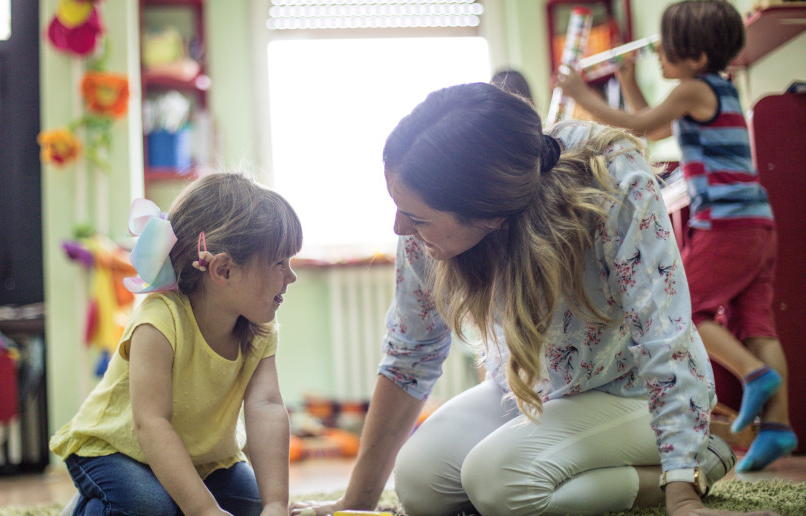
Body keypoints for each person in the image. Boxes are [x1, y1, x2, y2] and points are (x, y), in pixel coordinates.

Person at [288, 82, 783, 516]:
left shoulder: (613, 178)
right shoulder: (425, 217)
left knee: (497, 484)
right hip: (539, 391)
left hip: (631, 395)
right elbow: (408, 357)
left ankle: (700, 456)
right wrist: (354, 504)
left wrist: (682, 496)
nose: (401, 229)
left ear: (491, 217)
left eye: (415, 218)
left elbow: (666, 339)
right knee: (420, 485)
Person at [556, 0, 797, 472]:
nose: (659, 52)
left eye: (669, 46)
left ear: (696, 57)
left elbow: (637, 127)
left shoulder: (692, 89)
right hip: (757, 225)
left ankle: (755, 375)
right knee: (757, 324)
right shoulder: (714, 89)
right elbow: (657, 125)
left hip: (726, 226)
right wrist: (626, 82)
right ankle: (778, 426)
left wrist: (580, 92)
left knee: (687, 311)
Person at [50, 173, 301, 516]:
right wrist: (203, 510)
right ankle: (84, 509)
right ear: (224, 270)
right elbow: (150, 424)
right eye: (279, 263)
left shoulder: (260, 328)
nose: (291, 276)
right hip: (116, 451)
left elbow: (267, 406)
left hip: (203, 460)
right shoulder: (159, 320)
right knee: (151, 508)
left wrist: (275, 504)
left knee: (254, 508)